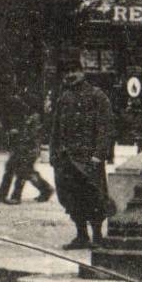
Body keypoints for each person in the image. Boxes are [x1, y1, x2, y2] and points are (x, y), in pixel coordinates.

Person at [49, 52, 115, 249]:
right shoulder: (64, 99)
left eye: (73, 71)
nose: (69, 75)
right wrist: (54, 154)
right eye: (66, 72)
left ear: (82, 72)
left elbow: (105, 128)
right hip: (67, 159)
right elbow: (55, 129)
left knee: (94, 196)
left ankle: (97, 235)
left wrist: (98, 155)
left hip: (88, 159)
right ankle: (81, 235)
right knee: (71, 198)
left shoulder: (97, 96)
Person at [0, 101, 53, 205]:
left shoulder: (35, 117)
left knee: (23, 171)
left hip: (29, 149)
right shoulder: (26, 116)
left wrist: (18, 133)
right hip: (21, 147)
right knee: (11, 168)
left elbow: (32, 135)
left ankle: (16, 196)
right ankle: (2, 194)